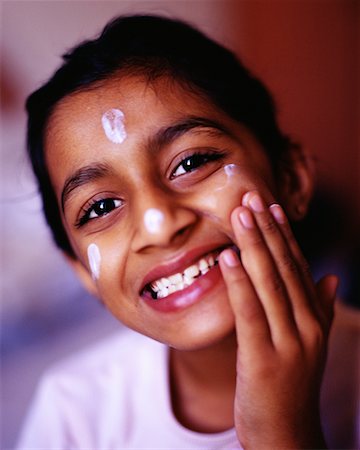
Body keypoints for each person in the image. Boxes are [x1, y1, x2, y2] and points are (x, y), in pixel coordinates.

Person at [16, 14, 355, 450]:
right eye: (101, 207)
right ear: (83, 273)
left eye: (191, 163)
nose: (160, 224)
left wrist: (281, 434)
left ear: (289, 178)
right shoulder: (73, 415)